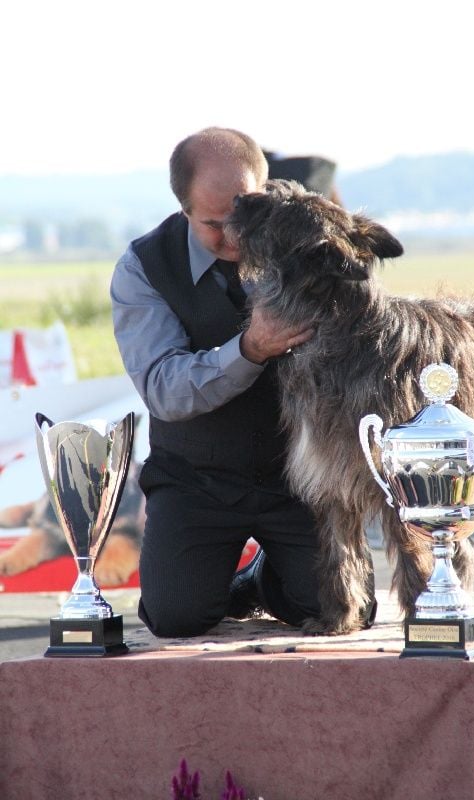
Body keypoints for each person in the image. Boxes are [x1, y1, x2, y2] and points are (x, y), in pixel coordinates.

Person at [110, 127, 324, 637]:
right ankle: (218, 582)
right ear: (182, 208)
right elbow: (164, 390)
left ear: (265, 192)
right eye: (213, 224)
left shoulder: (307, 246)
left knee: (338, 608)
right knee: (176, 617)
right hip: (195, 478)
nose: (234, 237)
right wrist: (250, 350)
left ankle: (262, 581)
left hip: (299, 474)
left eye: (245, 216)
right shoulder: (143, 268)